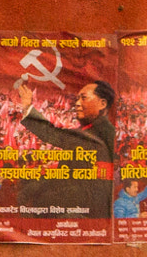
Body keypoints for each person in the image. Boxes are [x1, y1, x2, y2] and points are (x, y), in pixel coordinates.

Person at [11, 78, 116, 218]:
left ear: (102, 103)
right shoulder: (98, 130)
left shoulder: (96, 134)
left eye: (83, 98)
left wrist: (27, 107)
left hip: (83, 214)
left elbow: (51, 134)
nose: (77, 104)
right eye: (77, 98)